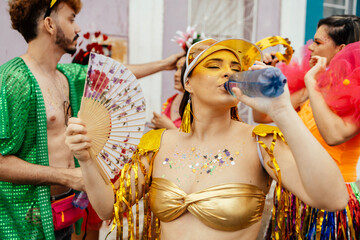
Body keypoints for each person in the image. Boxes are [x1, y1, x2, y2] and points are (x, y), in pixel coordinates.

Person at [65, 38, 349, 240]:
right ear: (188, 82)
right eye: (214, 65)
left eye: (234, 67)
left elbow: (334, 199)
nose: (228, 72)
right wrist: (87, 158)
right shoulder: (158, 142)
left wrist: (283, 111)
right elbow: (106, 208)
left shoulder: (261, 143)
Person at [0, 1, 183, 239]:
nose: (78, 29)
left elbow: (117, 73)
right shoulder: (14, 79)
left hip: (66, 214)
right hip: (25, 224)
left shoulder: (66, 75)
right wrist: (67, 176)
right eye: (71, 19)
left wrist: (164, 65)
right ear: (49, 24)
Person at [254, 15, 360, 239]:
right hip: (294, 196)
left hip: (332, 200)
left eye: (319, 43)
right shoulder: (309, 84)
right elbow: (262, 115)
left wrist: (312, 83)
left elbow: (334, 135)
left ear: (341, 50)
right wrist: (266, 76)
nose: (310, 47)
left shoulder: (355, 93)